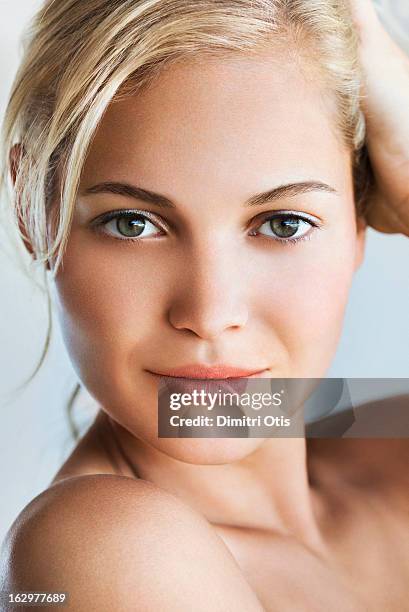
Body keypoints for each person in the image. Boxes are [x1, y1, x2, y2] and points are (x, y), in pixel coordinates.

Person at [1, 0, 409, 610]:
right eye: (132, 224)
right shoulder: (105, 547)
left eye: (283, 224)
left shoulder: (376, 427)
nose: (211, 312)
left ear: (358, 220)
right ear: (35, 211)